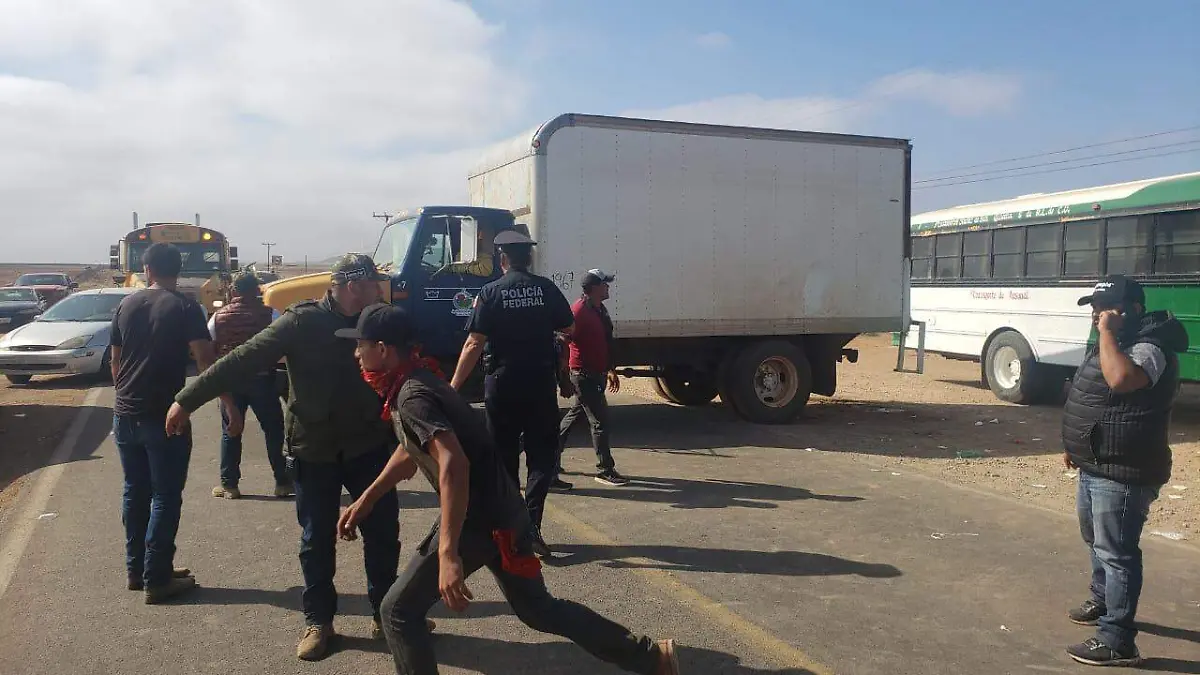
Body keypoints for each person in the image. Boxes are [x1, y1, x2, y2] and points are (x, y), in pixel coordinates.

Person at [335, 304, 680, 675]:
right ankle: (652, 657)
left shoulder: (412, 394)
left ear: (384, 349)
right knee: (538, 609)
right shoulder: (421, 380)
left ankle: (648, 657)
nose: (357, 353)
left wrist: (448, 553)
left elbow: (453, 464)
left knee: (397, 611)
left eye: (362, 345)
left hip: (481, 523)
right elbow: (411, 449)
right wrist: (367, 499)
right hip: (503, 514)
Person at [166, 254, 402, 661]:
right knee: (316, 540)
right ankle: (319, 622)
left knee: (383, 535)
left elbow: (411, 366)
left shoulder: (378, 320)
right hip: (316, 449)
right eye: (372, 284)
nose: (379, 290)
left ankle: (388, 615)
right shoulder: (301, 322)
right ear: (351, 285)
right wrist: (186, 400)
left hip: (368, 446)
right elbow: (241, 360)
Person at [1062, 274, 1189, 667]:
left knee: (1116, 553)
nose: (1097, 316)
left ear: (1132, 310)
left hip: (1124, 470)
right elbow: (1093, 395)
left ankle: (1118, 640)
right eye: (1094, 308)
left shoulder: (1150, 347)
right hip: (1096, 462)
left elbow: (1119, 380)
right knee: (1096, 540)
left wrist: (1107, 334)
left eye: (1105, 309)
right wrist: (1075, 447)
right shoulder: (1116, 341)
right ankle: (1103, 602)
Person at [110, 242, 241, 604]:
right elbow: (204, 362)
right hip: (165, 417)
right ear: (177, 271)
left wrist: (125, 397)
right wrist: (228, 403)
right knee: (165, 496)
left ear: (147, 269)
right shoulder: (185, 308)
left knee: (135, 492)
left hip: (125, 415)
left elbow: (116, 364)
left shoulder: (125, 305)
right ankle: (157, 577)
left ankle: (139, 570)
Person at [449, 230, 574, 557]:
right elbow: (569, 328)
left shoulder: (490, 292)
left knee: (503, 459)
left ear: (502, 259)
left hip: (502, 385)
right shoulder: (546, 288)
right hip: (539, 385)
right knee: (541, 457)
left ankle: (511, 526)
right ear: (528, 258)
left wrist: (452, 389)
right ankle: (531, 525)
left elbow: (474, 343)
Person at [207, 272, 290, 499]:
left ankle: (229, 485)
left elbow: (211, 350)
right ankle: (282, 483)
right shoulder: (270, 314)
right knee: (273, 431)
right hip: (263, 380)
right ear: (257, 290)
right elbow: (282, 346)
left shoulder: (218, 317)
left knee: (231, 431)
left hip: (230, 382)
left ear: (233, 291)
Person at [558, 269, 627, 486]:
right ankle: (605, 469)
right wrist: (565, 378)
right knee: (600, 422)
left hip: (595, 374)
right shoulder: (578, 312)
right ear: (594, 288)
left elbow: (605, 342)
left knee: (574, 417)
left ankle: (549, 457)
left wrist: (610, 369)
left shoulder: (599, 309)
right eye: (605, 284)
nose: (608, 287)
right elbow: (562, 342)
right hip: (584, 375)